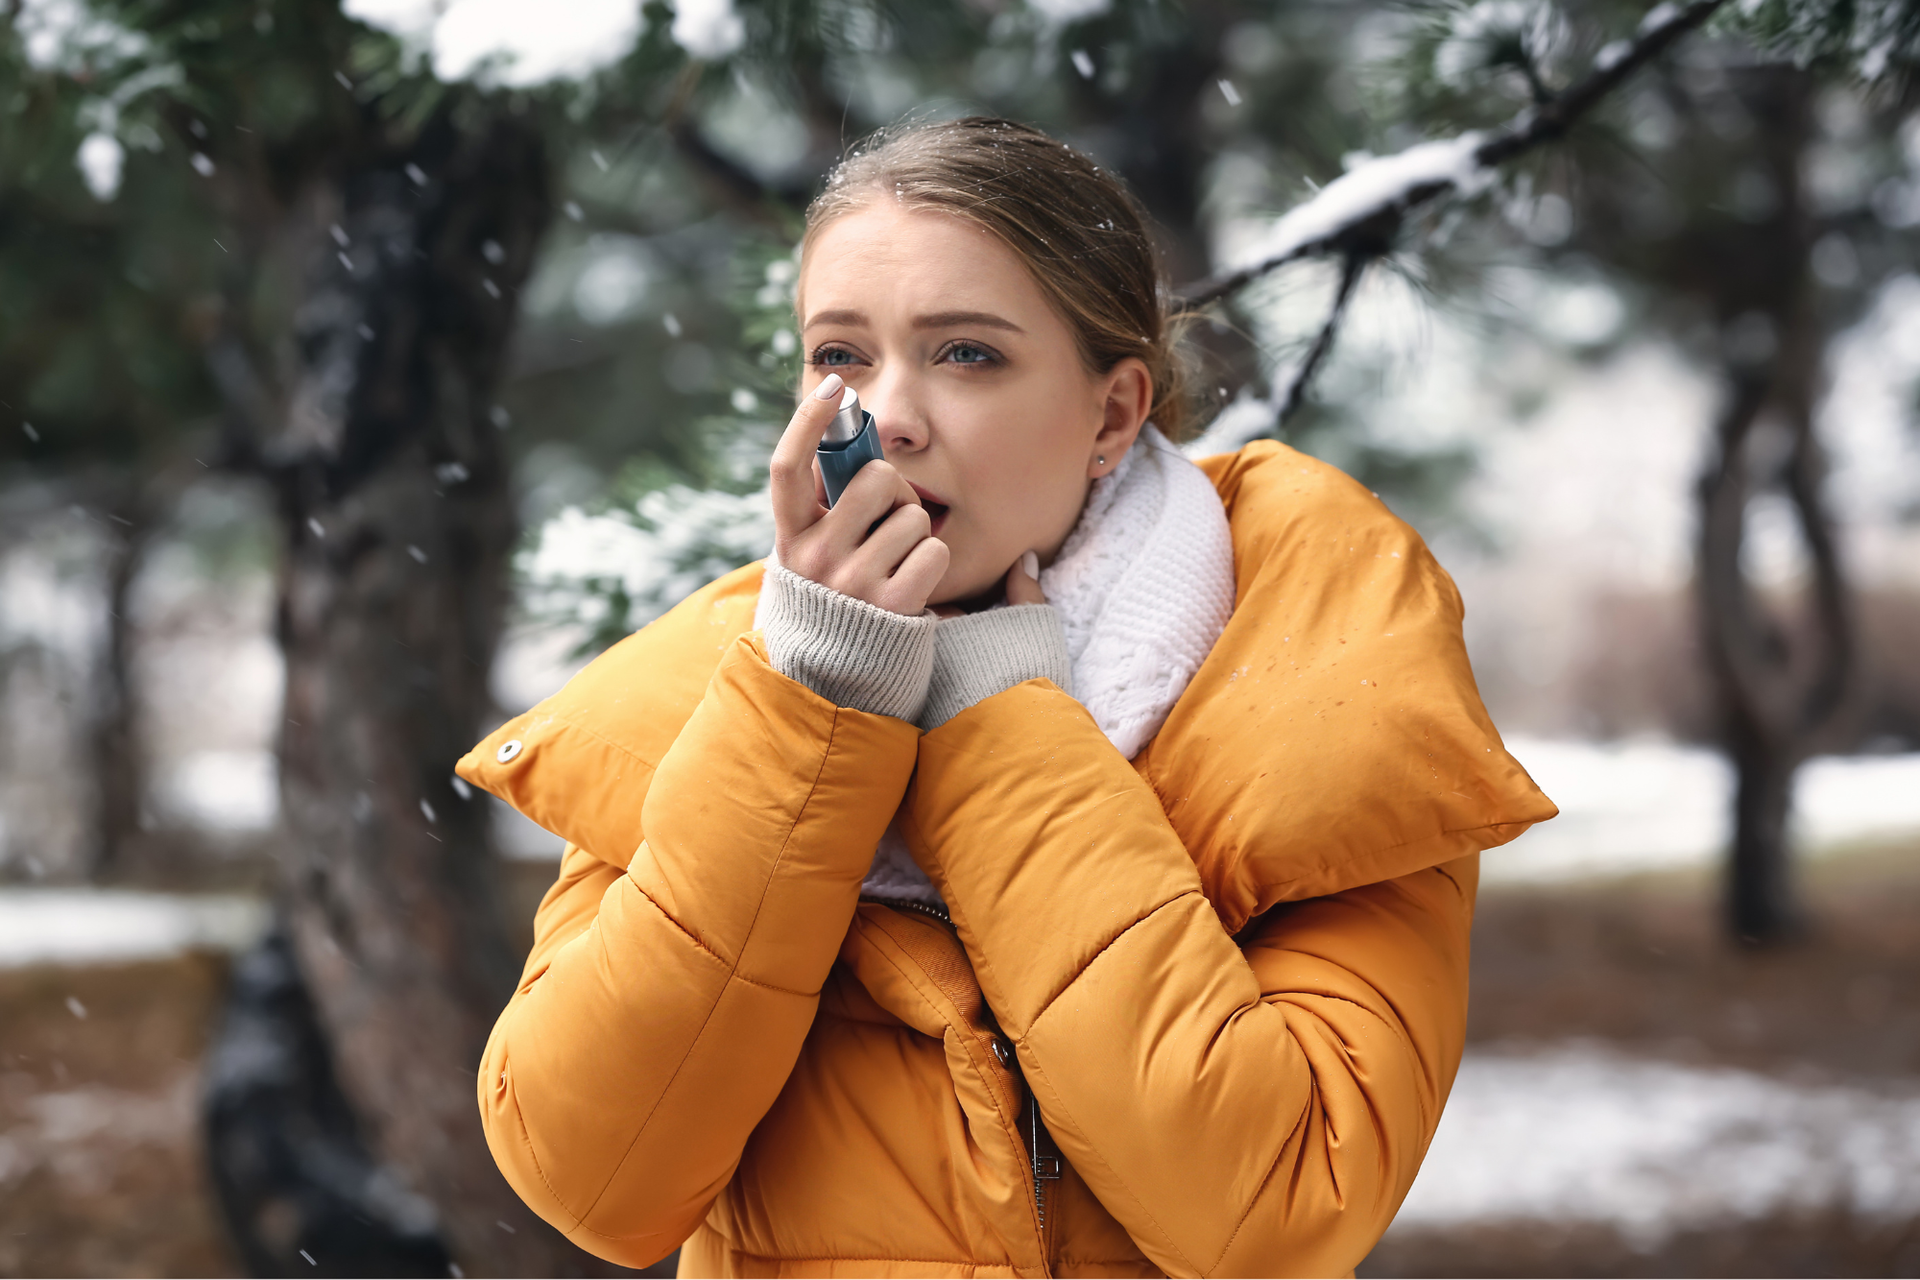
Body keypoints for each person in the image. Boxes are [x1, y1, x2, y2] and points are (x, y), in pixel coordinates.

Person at [457, 117, 1554, 1278]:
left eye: (966, 353)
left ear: (1114, 414)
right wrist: (812, 700)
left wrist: (997, 717)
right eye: (839, 356)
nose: (890, 416)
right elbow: (593, 1180)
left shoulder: (1318, 678)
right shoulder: (710, 695)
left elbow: (1272, 1213)